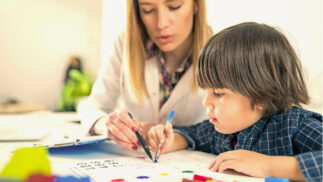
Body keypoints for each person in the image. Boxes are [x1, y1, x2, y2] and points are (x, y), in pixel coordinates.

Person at [146, 22, 322, 182]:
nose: (206, 102)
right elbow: (193, 135)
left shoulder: (295, 126)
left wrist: (266, 165)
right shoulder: (224, 129)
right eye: (206, 92)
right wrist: (171, 139)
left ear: (261, 97)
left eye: (219, 93)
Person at [79, 0, 212, 151]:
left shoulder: (222, 52)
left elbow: (230, 133)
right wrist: (107, 125)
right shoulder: (124, 43)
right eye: (147, 10)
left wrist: (178, 137)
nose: (161, 24)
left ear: (195, 5)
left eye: (174, 7)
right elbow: (92, 109)